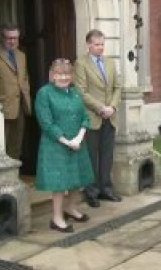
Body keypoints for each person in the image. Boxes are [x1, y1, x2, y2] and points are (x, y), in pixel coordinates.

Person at [34, 59, 94, 233]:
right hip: (56, 145)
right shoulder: (44, 93)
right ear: (52, 75)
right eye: (59, 74)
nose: (64, 77)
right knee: (59, 184)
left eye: (67, 74)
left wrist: (79, 138)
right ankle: (57, 218)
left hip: (77, 142)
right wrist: (67, 141)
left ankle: (71, 208)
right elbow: (46, 123)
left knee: (78, 179)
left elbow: (85, 117)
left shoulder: (75, 92)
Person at [74, 29, 122, 208]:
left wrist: (113, 107)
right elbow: (81, 91)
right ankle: (91, 192)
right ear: (88, 45)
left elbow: (118, 87)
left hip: (110, 116)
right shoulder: (80, 63)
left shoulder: (110, 62)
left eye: (102, 44)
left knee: (107, 156)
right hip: (92, 116)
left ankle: (106, 189)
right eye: (97, 44)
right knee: (91, 156)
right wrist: (100, 108)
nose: (100, 47)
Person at [0, 24, 32, 160]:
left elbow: (24, 77)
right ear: (2, 38)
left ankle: (15, 176)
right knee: (2, 146)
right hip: (2, 107)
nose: (12, 41)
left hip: (20, 106)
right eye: (9, 38)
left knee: (16, 145)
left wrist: (26, 98)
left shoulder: (21, 56)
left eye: (15, 38)